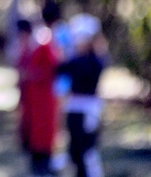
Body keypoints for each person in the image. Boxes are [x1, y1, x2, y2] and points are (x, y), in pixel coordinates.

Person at [57, 14, 107, 177]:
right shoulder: (79, 59)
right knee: (75, 151)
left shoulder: (93, 61)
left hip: (89, 110)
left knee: (88, 151)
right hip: (75, 108)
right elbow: (59, 69)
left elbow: (66, 68)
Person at [14, 18, 61, 176]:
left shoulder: (43, 44)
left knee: (43, 141)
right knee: (31, 141)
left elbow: (52, 70)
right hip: (31, 104)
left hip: (43, 102)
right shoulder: (26, 49)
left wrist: (30, 75)